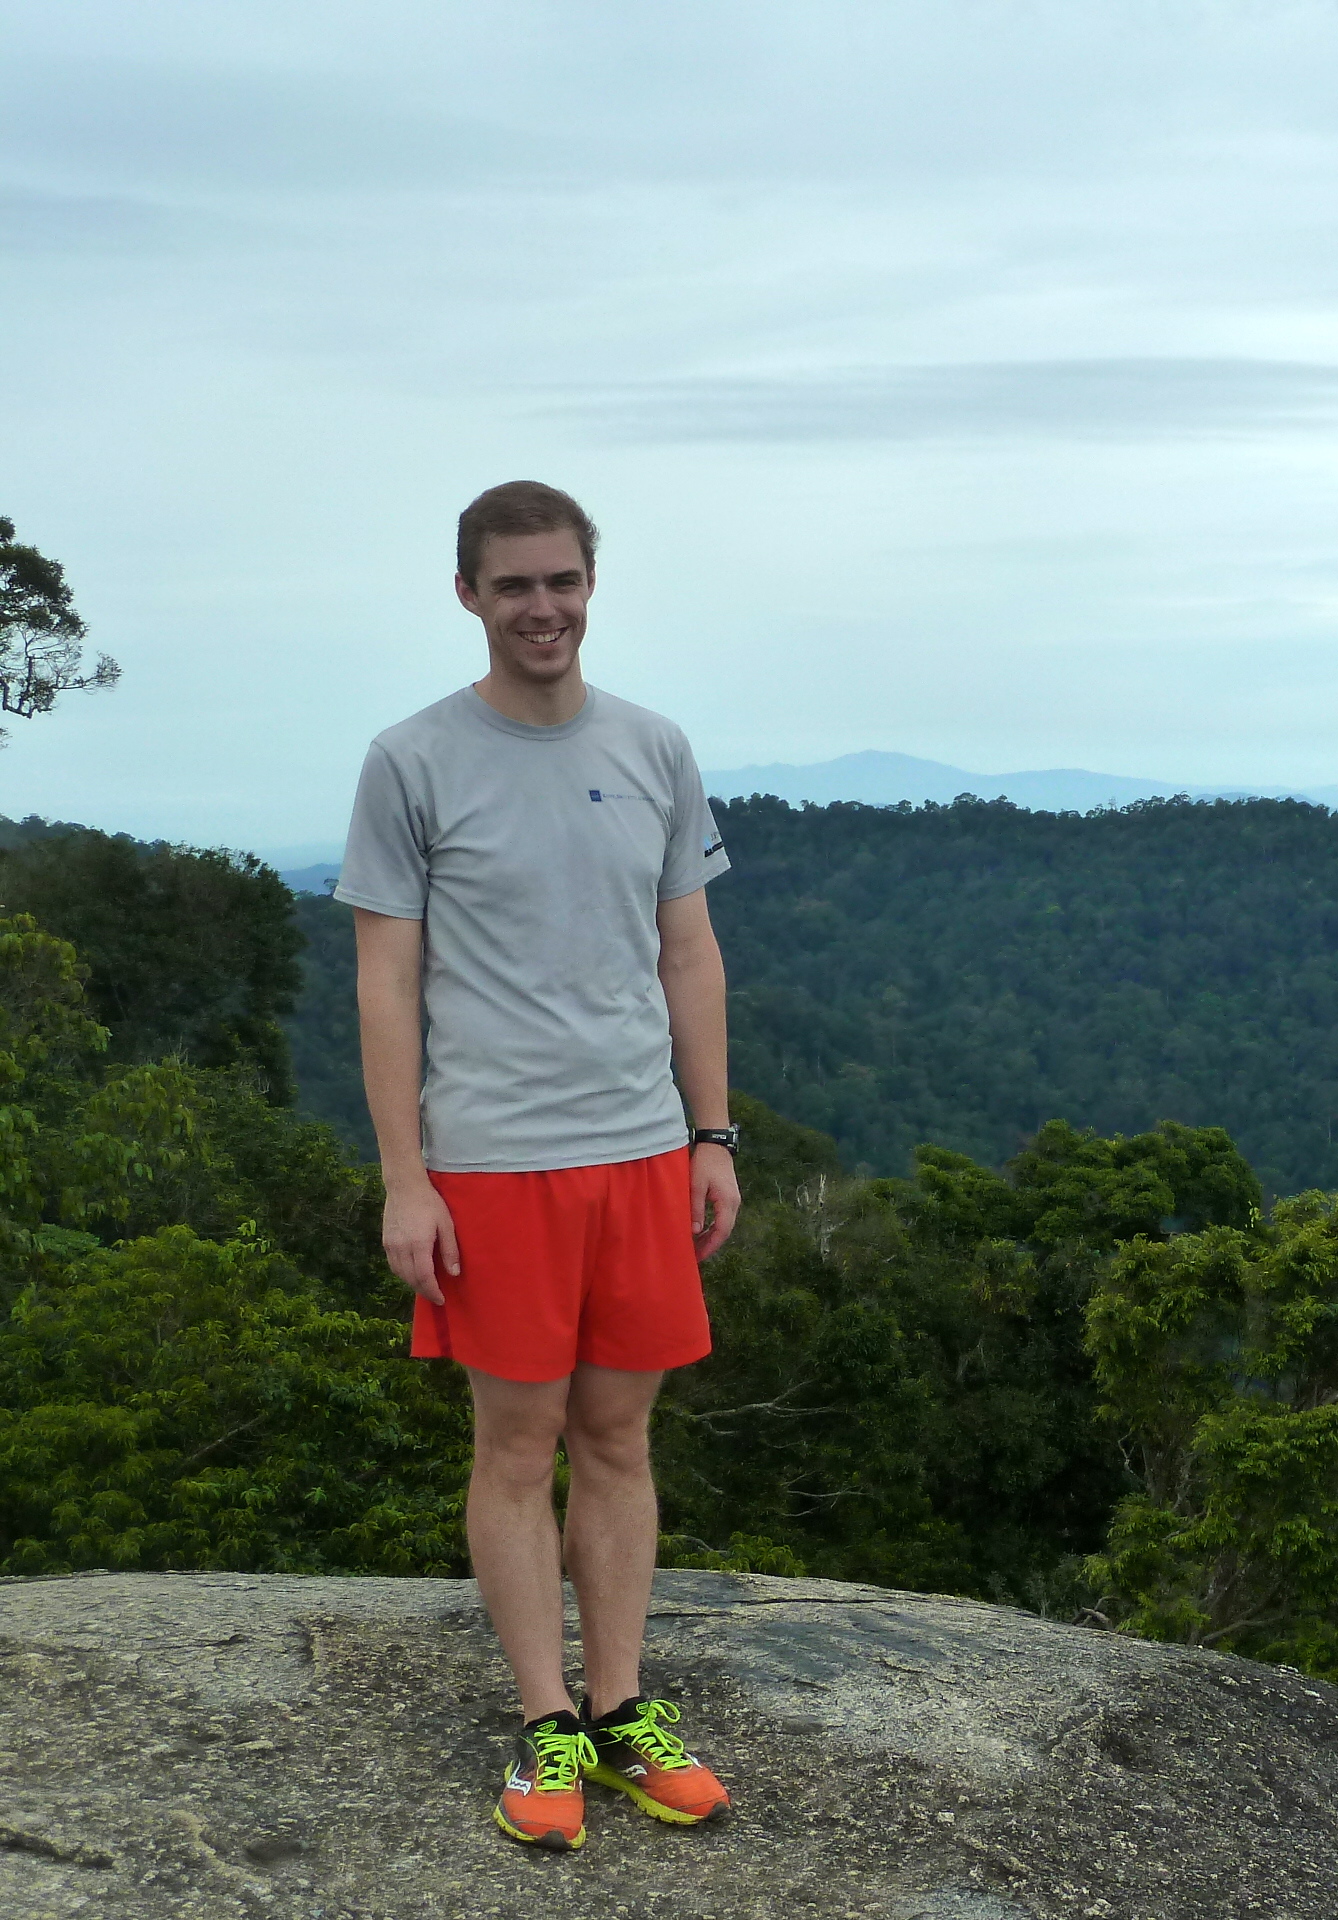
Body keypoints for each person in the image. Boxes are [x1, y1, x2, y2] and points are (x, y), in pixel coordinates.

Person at [336, 480, 742, 1852]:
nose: (542, 607)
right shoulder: (412, 760)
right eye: (513, 584)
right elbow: (386, 983)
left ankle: (621, 1709)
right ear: (469, 594)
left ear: (591, 584)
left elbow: (688, 949)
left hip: (639, 1149)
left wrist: (711, 1134)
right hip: (496, 1160)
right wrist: (407, 1178)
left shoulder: (654, 746)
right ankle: (546, 1720)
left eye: (561, 580)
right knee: (516, 1445)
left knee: (618, 1436)